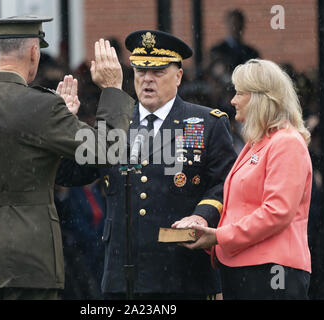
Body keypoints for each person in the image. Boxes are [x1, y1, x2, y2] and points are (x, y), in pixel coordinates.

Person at [0, 15, 134, 300]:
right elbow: (109, 149)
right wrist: (112, 90)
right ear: (35, 53)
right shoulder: (43, 106)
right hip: (32, 258)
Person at [61, 30, 237, 299]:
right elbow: (72, 173)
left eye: (158, 71)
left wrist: (203, 215)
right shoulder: (115, 121)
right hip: (124, 272)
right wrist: (62, 126)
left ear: (178, 75)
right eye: (141, 70)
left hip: (183, 271)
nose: (147, 79)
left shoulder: (205, 123)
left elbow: (225, 184)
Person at [173, 59, 312, 300]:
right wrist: (211, 239)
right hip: (243, 271)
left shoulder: (287, 142)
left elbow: (277, 212)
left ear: (260, 98)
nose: (232, 100)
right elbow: (240, 209)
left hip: (272, 274)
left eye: (239, 93)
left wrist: (219, 236)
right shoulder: (257, 144)